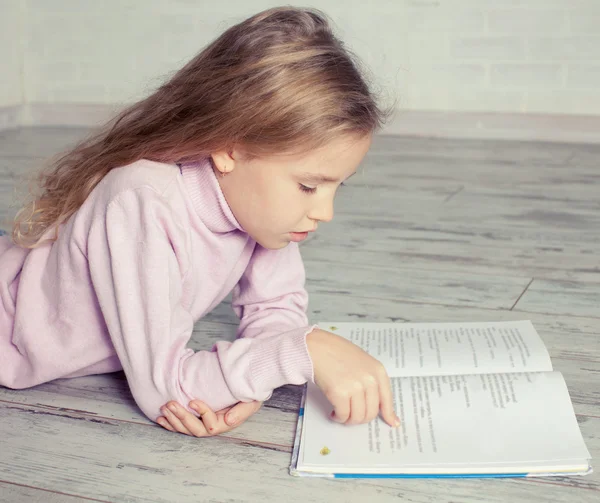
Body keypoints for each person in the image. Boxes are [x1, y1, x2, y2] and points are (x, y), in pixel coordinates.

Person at [0, 7, 400, 437]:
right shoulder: (142, 201)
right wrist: (301, 352)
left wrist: (258, 377)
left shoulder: (265, 211)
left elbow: (275, 309)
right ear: (230, 149)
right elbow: (166, 392)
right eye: (308, 186)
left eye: (337, 187)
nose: (326, 212)